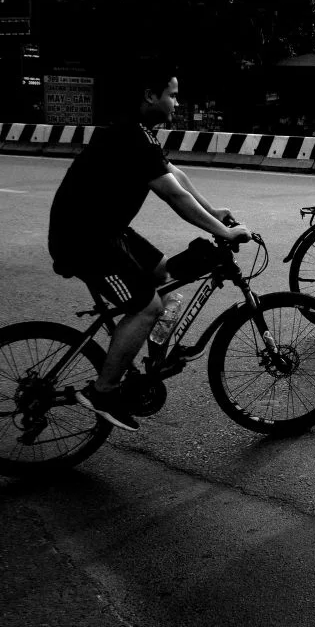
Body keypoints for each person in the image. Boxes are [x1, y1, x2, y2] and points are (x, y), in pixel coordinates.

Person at [48, 68, 250, 431]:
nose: (176, 102)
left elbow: (179, 179)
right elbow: (173, 196)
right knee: (147, 306)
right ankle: (103, 390)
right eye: (172, 95)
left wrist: (214, 210)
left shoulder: (141, 133)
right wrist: (223, 232)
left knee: (161, 272)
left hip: (107, 231)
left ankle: (143, 344)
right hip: (85, 240)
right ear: (149, 95)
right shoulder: (131, 136)